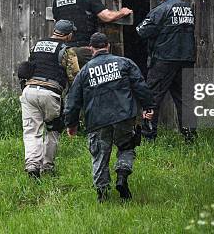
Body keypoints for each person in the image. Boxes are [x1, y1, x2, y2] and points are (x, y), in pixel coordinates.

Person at [64, 32, 156, 202]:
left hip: (97, 121)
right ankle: (122, 175)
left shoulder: (84, 72)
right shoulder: (125, 63)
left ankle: (102, 195)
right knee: (127, 147)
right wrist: (148, 107)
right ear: (108, 46)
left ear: (91, 49)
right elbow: (141, 87)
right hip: (124, 116)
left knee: (100, 156)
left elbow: (73, 100)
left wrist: (71, 124)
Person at [135, 0, 197, 143]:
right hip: (186, 59)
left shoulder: (160, 10)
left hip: (164, 60)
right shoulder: (188, 10)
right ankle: (190, 137)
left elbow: (142, 30)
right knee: (186, 99)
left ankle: (149, 137)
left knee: (152, 98)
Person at [18, 20, 80, 178]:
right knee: (54, 129)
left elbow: (27, 67)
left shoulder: (36, 45)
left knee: (32, 131)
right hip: (51, 93)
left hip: (29, 91)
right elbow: (75, 78)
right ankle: (47, 167)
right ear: (69, 35)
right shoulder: (67, 50)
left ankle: (32, 165)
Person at [52, 0, 133, 67]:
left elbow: (56, 21)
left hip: (63, 51)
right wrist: (122, 12)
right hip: (84, 50)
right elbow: (106, 16)